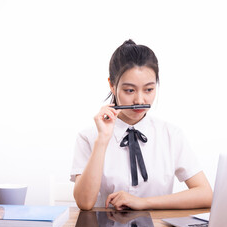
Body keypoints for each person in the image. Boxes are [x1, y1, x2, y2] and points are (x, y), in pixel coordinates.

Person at [70, 39, 213, 211]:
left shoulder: (171, 134)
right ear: (112, 85)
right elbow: (84, 203)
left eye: (149, 90)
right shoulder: (89, 136)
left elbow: (206, 194)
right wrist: (102, 140)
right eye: (129, 90)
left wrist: (144, 203)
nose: (139, 100)